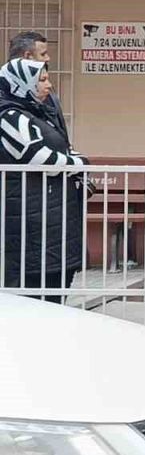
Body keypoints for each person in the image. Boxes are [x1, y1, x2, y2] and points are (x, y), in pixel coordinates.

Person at [0, 59, 87, 303]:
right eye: (42, 80)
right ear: (21, 83)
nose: (49, 85)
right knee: (36, 299)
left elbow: (61, 149)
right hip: (32, 226)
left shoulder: (38, 112)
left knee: (55, 294)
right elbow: (39, 158)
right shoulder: (9, 116)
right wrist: (79, 165)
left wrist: (73, 163)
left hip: (51, 222)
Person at [8, 32, 68, 134]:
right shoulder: (6, 93)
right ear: (27, 56)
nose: (48, 58)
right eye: (43, 54)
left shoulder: (45, 89)